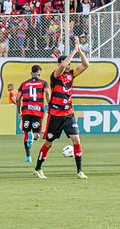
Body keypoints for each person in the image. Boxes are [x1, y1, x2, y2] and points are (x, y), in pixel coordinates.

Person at [34, 36, 89, 179]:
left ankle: (79, 171)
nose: (67, 66)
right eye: (63, 64)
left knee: (76, 139)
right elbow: (64, 65)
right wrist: (73, 52)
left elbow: (86, 65)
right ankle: (38, 168)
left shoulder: (71, 75)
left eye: (68, 64)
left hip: (68, 114)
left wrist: (79, 51)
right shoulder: (55, 76)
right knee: (49, 143)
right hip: (55, 115)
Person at [15, 65, 50, 163]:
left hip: (26, 110)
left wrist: (19, 111)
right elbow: (47, 92)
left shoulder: (24, 84)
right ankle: (34, 136)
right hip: (38, 111)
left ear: (31, 73)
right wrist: (50, 104)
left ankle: (28, 157)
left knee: (26, 133)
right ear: (39, 73)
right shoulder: (43, 83)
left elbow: (17, 98)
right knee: (37, 133)